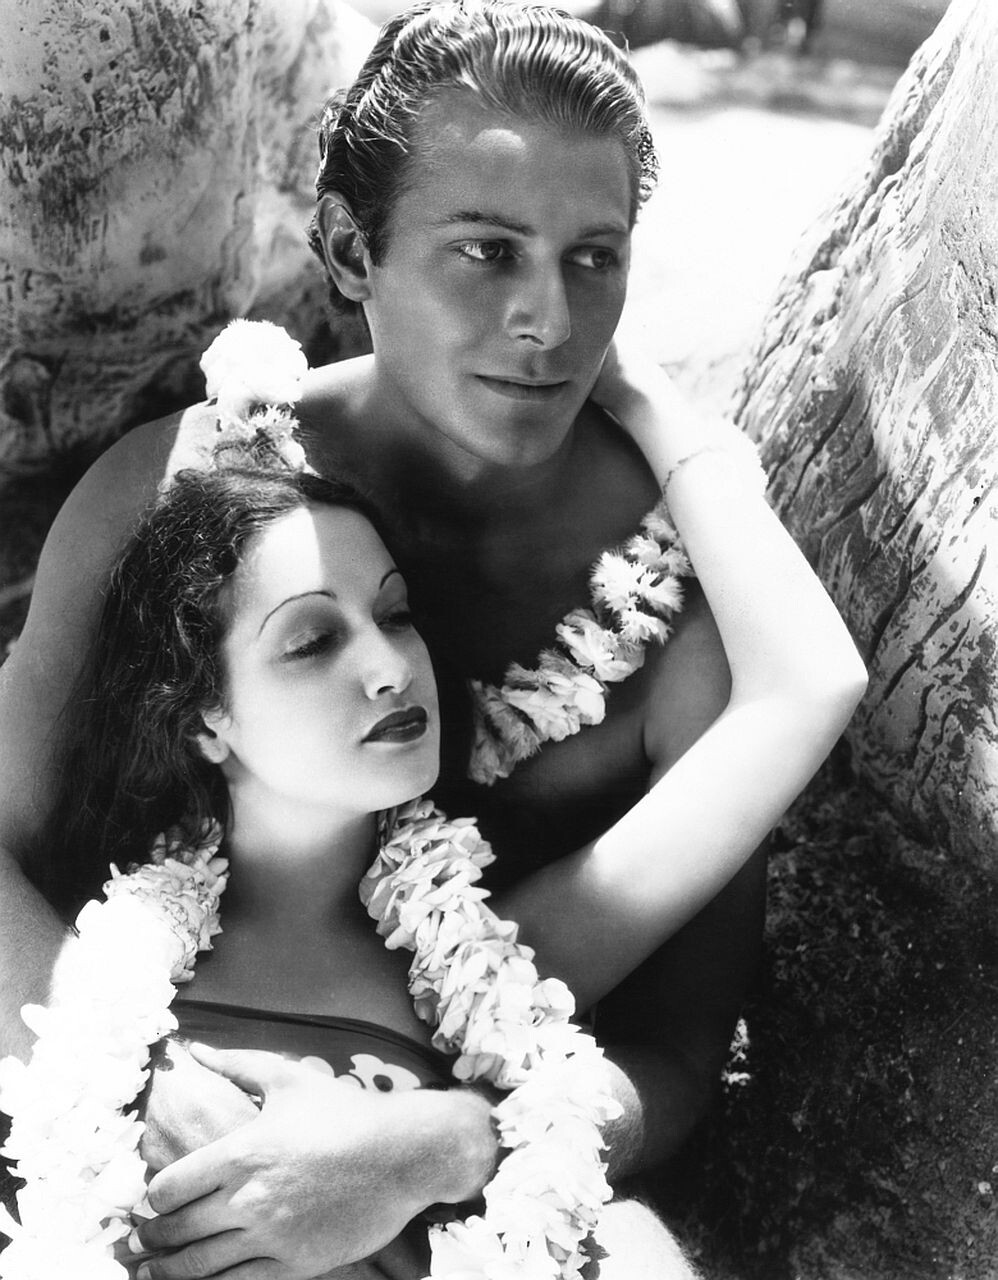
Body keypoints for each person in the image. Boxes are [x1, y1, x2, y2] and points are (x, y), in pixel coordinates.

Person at [0, 1, 867, 1275]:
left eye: (593, 258)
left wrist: (439, 1143)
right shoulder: (183, 493)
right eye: (484, 251)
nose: (548, 321)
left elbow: (678, 1055)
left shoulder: (681, 608)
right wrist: (126, 1073)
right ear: (350, 250)